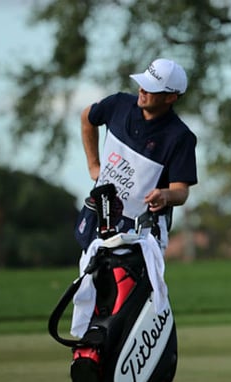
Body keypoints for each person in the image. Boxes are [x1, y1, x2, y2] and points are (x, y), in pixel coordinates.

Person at [76, 58, 198, 251]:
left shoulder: (180, 137)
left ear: (170, 97)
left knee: (130, 281)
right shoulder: (119, 104)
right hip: (101, 217)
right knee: (91, 278)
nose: (142, 90)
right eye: (143, 84)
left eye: (151, 88)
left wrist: (165, 195)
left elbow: (181, 191)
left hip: (142, 231)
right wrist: (93, 166)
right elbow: (87, 118)